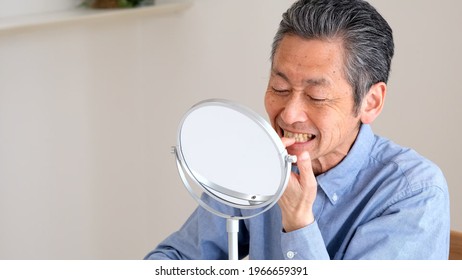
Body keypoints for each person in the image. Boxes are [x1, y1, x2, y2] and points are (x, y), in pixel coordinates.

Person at [145, 0, 450, 260]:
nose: (289, 115)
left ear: (370, 102)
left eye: (316, 96)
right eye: (279, 87)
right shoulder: (255, 164)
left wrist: (298, 221)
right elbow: (176, 257)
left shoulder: (414, 193)